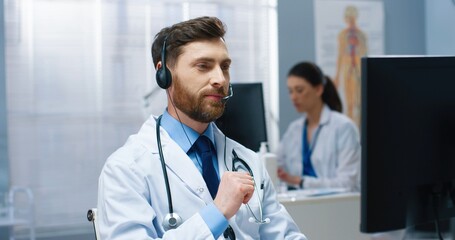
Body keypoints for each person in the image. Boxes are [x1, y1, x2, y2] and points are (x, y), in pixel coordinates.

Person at [97, 16, 307, 239]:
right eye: (203, 66)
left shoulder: (248, 161)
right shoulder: (125, 169)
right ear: (164, 74)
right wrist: (217, 212)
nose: (220, 79)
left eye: (224, 67)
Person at [276, 61, 360, 191]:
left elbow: (347, 183)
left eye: (299, 90)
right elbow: (276, 163)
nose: (293, 97)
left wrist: (300, 181)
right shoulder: (294, 129)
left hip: (336, 205)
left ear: (318, 89)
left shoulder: (344, 127)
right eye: (290, 91)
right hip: (303, 203)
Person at [334, 5, 368, 127]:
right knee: (349, 104)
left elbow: (365, 54)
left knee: (359, 104)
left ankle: (360, 132)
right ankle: (350, 131)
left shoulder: (362, 36)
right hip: (347, 70)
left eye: (352, 18)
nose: (351, 21)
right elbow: (340, 55)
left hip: (359, 70)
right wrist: (337, 76)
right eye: (349, 18)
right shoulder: (342, 35)